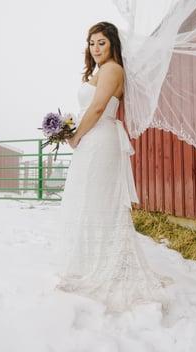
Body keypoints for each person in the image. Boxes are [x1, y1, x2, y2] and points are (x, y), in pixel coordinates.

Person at [54, 21, 173, 313]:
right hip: (91, 139)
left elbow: (96, 109)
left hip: (99, 138)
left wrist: (76, 135)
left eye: (101, 43)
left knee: (99, 201)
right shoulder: (98, 71)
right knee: (88, 199)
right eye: (92, 43)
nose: (95, 49)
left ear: (113, 45)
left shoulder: (112, 70)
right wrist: (69, 129)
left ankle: (108, 266)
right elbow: (88, 108)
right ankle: (90, 261)